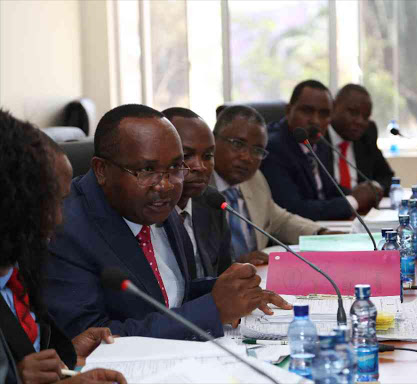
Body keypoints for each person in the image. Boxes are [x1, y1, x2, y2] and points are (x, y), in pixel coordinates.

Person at [44, 104, 290, 341]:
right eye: (147, 170)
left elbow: (168, 295)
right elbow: (91, 337)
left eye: (175, 166)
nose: (166, 185)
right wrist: (212, 310)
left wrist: (235, 291)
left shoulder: (155, 204)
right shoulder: (65, 229)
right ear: (101, 170)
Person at [0, 110, 126, 384]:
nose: (58, 220)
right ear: (11, 199)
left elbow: (29, 353)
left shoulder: (21, 264)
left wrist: (67, 354)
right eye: (49, 202)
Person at [212, 105, 330, 265]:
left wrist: (321, 234)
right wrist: (233, 264)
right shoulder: (197, 188)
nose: (247, 157)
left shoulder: (254, 179)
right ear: (213, 140)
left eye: (257, 150)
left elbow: (280, 221)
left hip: (259, 278)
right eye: (238, 144)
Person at [261, 79, 379, 221]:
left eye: (324, 114)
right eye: (307, 111)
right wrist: (353, 201)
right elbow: (293, 209)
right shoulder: (273, 147)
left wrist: (365, 193)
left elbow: (328, 190)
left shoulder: (317, 142)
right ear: (288, 111)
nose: (316, 120)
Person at [161, 107, 233, 278]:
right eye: (187, 156)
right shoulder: (148, 213)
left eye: (208, 156)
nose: (200, 167)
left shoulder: (212, 202)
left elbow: (224, 275)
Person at [328, 84, 394, 195]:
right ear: (333, 107)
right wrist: (355, 198)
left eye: (366, 117)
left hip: (365, 210)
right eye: (353, 113)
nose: (360, 121)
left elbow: (387, 177)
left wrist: (374, 189)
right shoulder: (318, 136)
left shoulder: (367, 135)